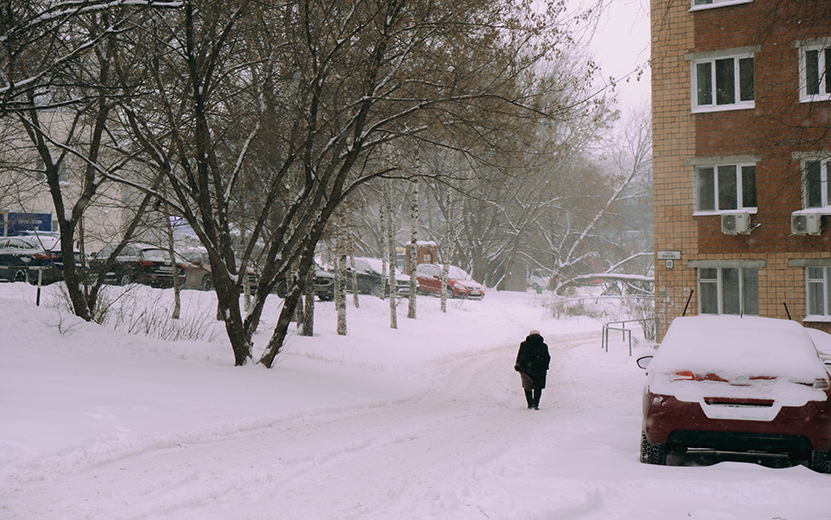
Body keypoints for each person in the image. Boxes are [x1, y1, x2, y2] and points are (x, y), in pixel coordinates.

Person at [514, 330, 551, 410]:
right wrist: (545, 366)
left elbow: (520, 356)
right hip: (540, 369)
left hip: (527, 368)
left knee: (528, 387)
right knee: (538, 387)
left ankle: (530, 404)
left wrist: (518, 366)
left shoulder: (524, 344)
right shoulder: (543, 346)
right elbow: (547, 358)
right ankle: (536, 404)